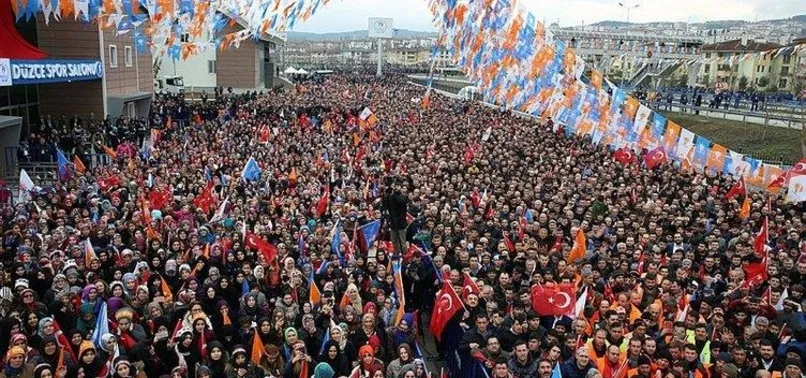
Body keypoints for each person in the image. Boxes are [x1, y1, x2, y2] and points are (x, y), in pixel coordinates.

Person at [382, 178, 410, 256]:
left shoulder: (403, 196)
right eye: (395, 186)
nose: (396, 188)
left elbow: (400, 202)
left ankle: (404, 254)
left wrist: (393, 194)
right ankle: (396, 252)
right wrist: (386, 194)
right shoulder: (391, 196)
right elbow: (385, 204)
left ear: (400, 187)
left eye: (398, 186)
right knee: (393, 240)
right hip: (393, 222)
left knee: (402, 241)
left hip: (401, 222)